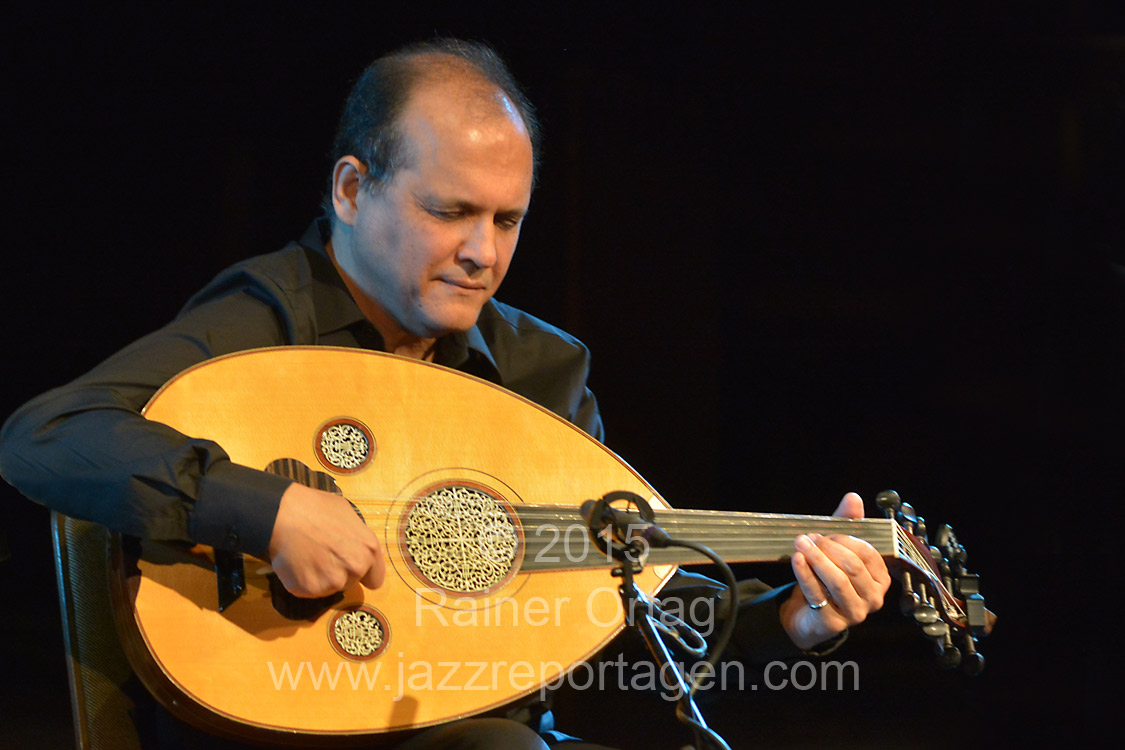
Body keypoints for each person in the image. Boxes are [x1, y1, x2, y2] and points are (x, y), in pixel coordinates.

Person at [0, 38, 889, 749]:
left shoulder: (541, 371)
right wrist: (264, 511)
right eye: (450, 211)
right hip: (277, 722)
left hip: (472, 726)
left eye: (507, 220)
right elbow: (47, 433)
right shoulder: (261, 319)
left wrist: (793, 624)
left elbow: (608, 597)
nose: (483, 253)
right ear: (352, 189)